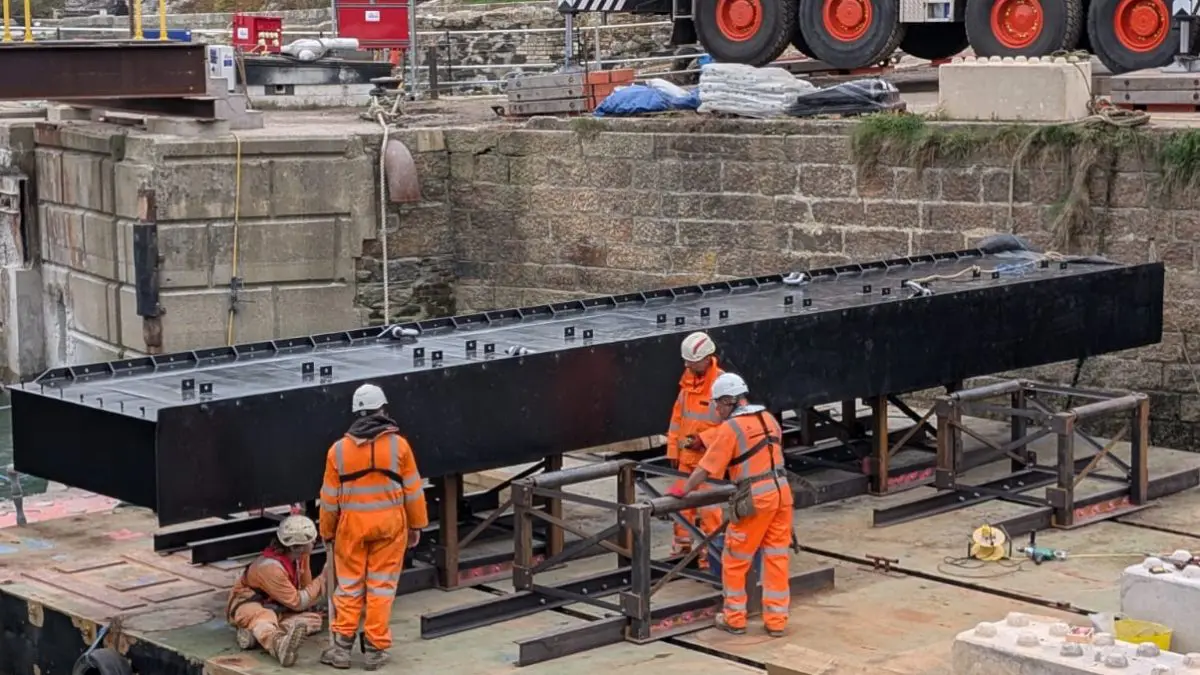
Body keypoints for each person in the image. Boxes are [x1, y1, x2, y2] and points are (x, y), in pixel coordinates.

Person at [667, 372, 794, 638]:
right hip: (782, 493)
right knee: (776, 557)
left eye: (718, 404)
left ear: (729, 401)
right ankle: (777, 620)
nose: (715, 409)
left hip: (756, 498)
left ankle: (735, 618)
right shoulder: (769, 419)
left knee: (735, 558)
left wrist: (683, 489)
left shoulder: (731, 428)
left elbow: (707, 467)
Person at [318, 383, 429, 671]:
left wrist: (327, 531)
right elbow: (414, 491)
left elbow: (328, 500)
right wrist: (417, 525)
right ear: (383, 410)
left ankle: (341, 649)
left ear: (356, 412)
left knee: (349, 587)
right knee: (380, 588)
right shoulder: (399, 446)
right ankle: (375, 651)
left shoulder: (338, 451)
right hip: (390, 528)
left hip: (351, 529)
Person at [226, 515, 327, 667]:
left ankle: (254, 635)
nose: (314, 542)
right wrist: (324, 578)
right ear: (295, 547)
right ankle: (277, 644)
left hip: (275, 605)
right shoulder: (271, 568)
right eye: (310, 541)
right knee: (265, 617)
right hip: (246, 604)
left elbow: (305, 589)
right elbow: (298, 602)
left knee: (314, 620)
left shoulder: (301, 556)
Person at [665, 331, 726, 569]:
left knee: (709, 511)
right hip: (686, 461)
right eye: (686, 361)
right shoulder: (687, 386)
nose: (687, 365)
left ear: (707, 357)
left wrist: (703, 439)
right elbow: (676, 421)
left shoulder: (721, 387)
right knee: (680, 507)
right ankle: (681, 549)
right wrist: (673, 451)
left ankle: (709, 555)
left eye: (692, 361)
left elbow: (731, 427)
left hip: (710, 462)